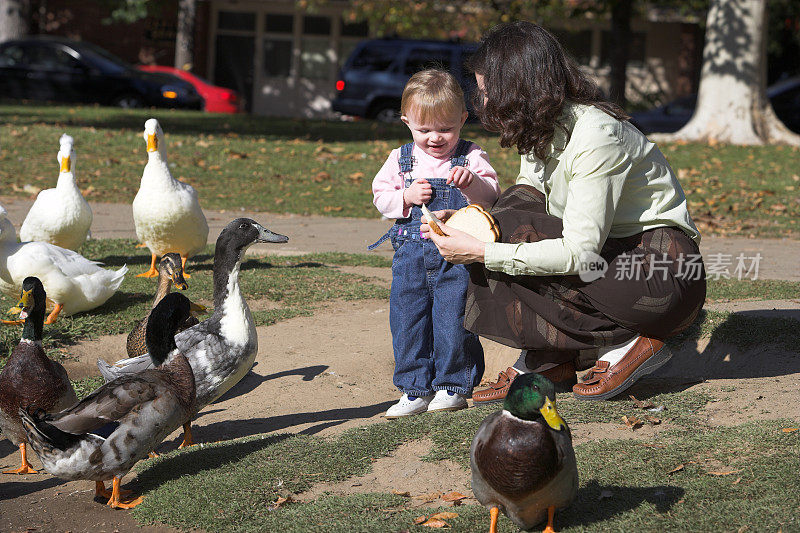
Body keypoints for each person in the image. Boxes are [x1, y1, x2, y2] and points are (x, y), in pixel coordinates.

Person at [422, 21, 706, 402]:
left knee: (503, 243)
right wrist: (467, 225)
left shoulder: (597, 135)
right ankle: (549, 359)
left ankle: (629, 341)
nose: (483, 102)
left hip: (661, 275)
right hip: (613, 260)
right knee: (504, 218)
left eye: (489, 91)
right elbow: (521, 207)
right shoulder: (541, 127)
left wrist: (482, 251)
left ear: (517, 90)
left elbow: (579, 252)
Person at [370, 69, 501, 417]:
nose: (435, 138)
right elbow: (381, 199)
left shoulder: (470, 157)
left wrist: (471, 184)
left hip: (456, 258)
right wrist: (406, 196)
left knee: (452, 318)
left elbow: (491, 197)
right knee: (407, 320)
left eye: (446, 129)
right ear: (406, 121)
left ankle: (452, 385)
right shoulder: (400, 160)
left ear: (462, 119)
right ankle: (414, 389)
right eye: (424, 130)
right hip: (411, 257)